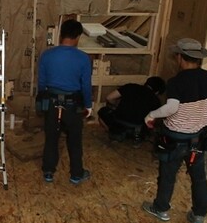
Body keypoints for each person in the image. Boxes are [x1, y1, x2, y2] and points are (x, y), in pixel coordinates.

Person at [142, 38, 207, 223]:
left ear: (180, 57)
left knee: (168, 176)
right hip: (198, 139)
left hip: (174, 139)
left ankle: (161, 209)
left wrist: (151, 115)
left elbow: (171, 108)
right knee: (199, 178)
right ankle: (199, 216)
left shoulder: (176, 82)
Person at [38, 19, 93, 184]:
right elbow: (86, 85)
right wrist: (88, 105)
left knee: (51, 138)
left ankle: (48, 172)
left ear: (61, 34)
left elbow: (41, 83)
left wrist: (42, 102)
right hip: (72, 105)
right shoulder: (83, 58)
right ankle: (76, 174)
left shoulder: (47, 55)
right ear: (77, 36)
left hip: (52, 103)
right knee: (74, 140)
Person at [99, 76, 165, 142]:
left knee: (102, 112)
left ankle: (113, 133)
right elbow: (151, 121)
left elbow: (109, 97)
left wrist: (116, 106)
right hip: (137, 131)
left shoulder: (130, 86)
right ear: (157, 92)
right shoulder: (156, 100)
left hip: (117, 125)